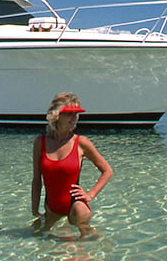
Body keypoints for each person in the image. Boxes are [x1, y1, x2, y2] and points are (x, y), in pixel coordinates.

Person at [31, 92, 113, 238]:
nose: (74, 118)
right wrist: (34, 208)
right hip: (51, 207)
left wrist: (90, 195)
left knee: (85, 249)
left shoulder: (81, 142)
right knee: (37, 238)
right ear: (57, 115)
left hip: (77, 207)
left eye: (76, 114)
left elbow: (107, 171)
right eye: (69, 114)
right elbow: (36, 180)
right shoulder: (40, 143)